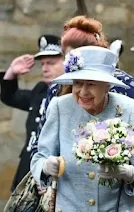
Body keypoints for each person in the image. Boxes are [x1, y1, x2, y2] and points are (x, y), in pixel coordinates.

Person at [30, 45, 134, 212]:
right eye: (77, 83)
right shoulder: (60, 107)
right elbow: (38, 156)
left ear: (106, 85)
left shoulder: (129, 110)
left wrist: (129, 174)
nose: (82, 92)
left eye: (90, 84)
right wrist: (46, 166)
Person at [0, 35, 64, 212]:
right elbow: (10, 96)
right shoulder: (39, 91)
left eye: (52, 62)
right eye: (42, 63)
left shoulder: (71, 93)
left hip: (56, 179)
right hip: (30, 176)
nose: (45, 68)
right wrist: (11, 73)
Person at [31, 16, 134, 158]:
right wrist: (46, 166)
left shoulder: (126, 86)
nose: (70, 65)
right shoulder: (57, 88)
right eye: (66, 57)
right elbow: (41, 145)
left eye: (75, 57)